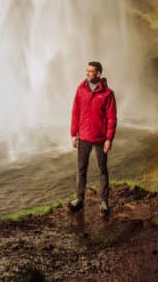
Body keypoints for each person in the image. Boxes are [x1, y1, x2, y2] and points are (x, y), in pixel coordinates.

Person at [67, 60, 118, 217]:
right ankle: (79, 200)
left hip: (100, 138)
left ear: (98, 73)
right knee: (81, 170)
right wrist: (73, 134)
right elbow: (75, 112)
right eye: (87, 71)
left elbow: (112, 118)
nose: (87, 73)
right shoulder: (81, 89)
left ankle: (104, 202)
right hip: (83, 137)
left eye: (90, 71)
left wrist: (109, 139)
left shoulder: (108, 94)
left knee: (103, 170)